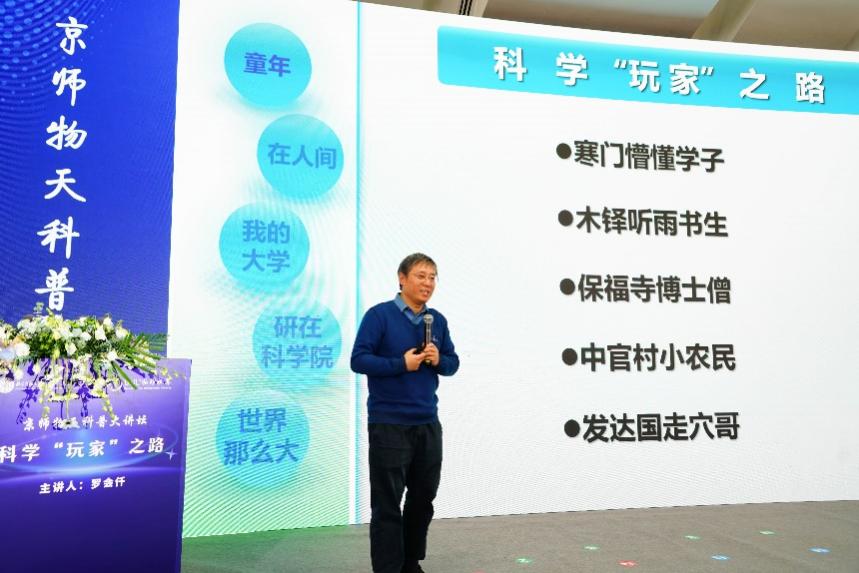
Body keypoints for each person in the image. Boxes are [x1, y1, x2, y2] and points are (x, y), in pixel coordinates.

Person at [351, 253, 460, 573]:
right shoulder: (379, 316)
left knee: (423, 498)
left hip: (427, 422)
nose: (428, 283)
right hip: (389, 423)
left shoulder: (436, 321)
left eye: (433, 277)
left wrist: (438, 360)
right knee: (387, 502)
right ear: (402, 278)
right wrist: (401, 363)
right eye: (421, 276)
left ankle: (410, 562)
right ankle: (388, 568)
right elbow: (359, 360)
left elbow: (452, 364)